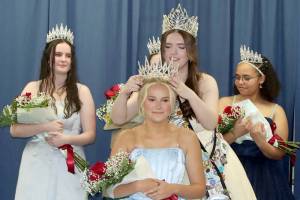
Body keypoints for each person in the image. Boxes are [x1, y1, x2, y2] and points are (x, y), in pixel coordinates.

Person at [111, 4, 256, 200]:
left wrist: (187, 93)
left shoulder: (205, 81)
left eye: (181, 47)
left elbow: (211, 123)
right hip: (169, 159)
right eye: (168, 47)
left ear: (191, 51)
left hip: (206, 157)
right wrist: (125, 92)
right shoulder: (154, 81)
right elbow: (119, 118)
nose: (174, 53)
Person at [10, 24, 96, 200]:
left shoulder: (83, 91)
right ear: (48, 58)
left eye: (68, 55)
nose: (63, 59)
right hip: (36, 161)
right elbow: (15, 129)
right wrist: (45, 126)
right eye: (58, 54)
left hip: (70, 163)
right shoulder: (32, 88)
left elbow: (90, 135)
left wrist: (66, 139)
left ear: (72, 61)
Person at [219, 45, 295, 200]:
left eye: (246, 78)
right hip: (231, 172)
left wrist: (260, 141)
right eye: (237, 77)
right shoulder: (224, 103)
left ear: (261, 79)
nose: (240, 82)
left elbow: (279, 153)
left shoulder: (276, 110)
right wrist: (235, 134)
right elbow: (211, 145)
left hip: (266, 178)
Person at [110, 77, 206, 199]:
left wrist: (173, 188)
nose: (158, 106)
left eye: (165, 100)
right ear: (142, 102)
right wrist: (137, 186)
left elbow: (199, 190)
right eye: (152, 99)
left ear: (172, 105)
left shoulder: (187, 137)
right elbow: (111, 190)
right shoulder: (126, 137)